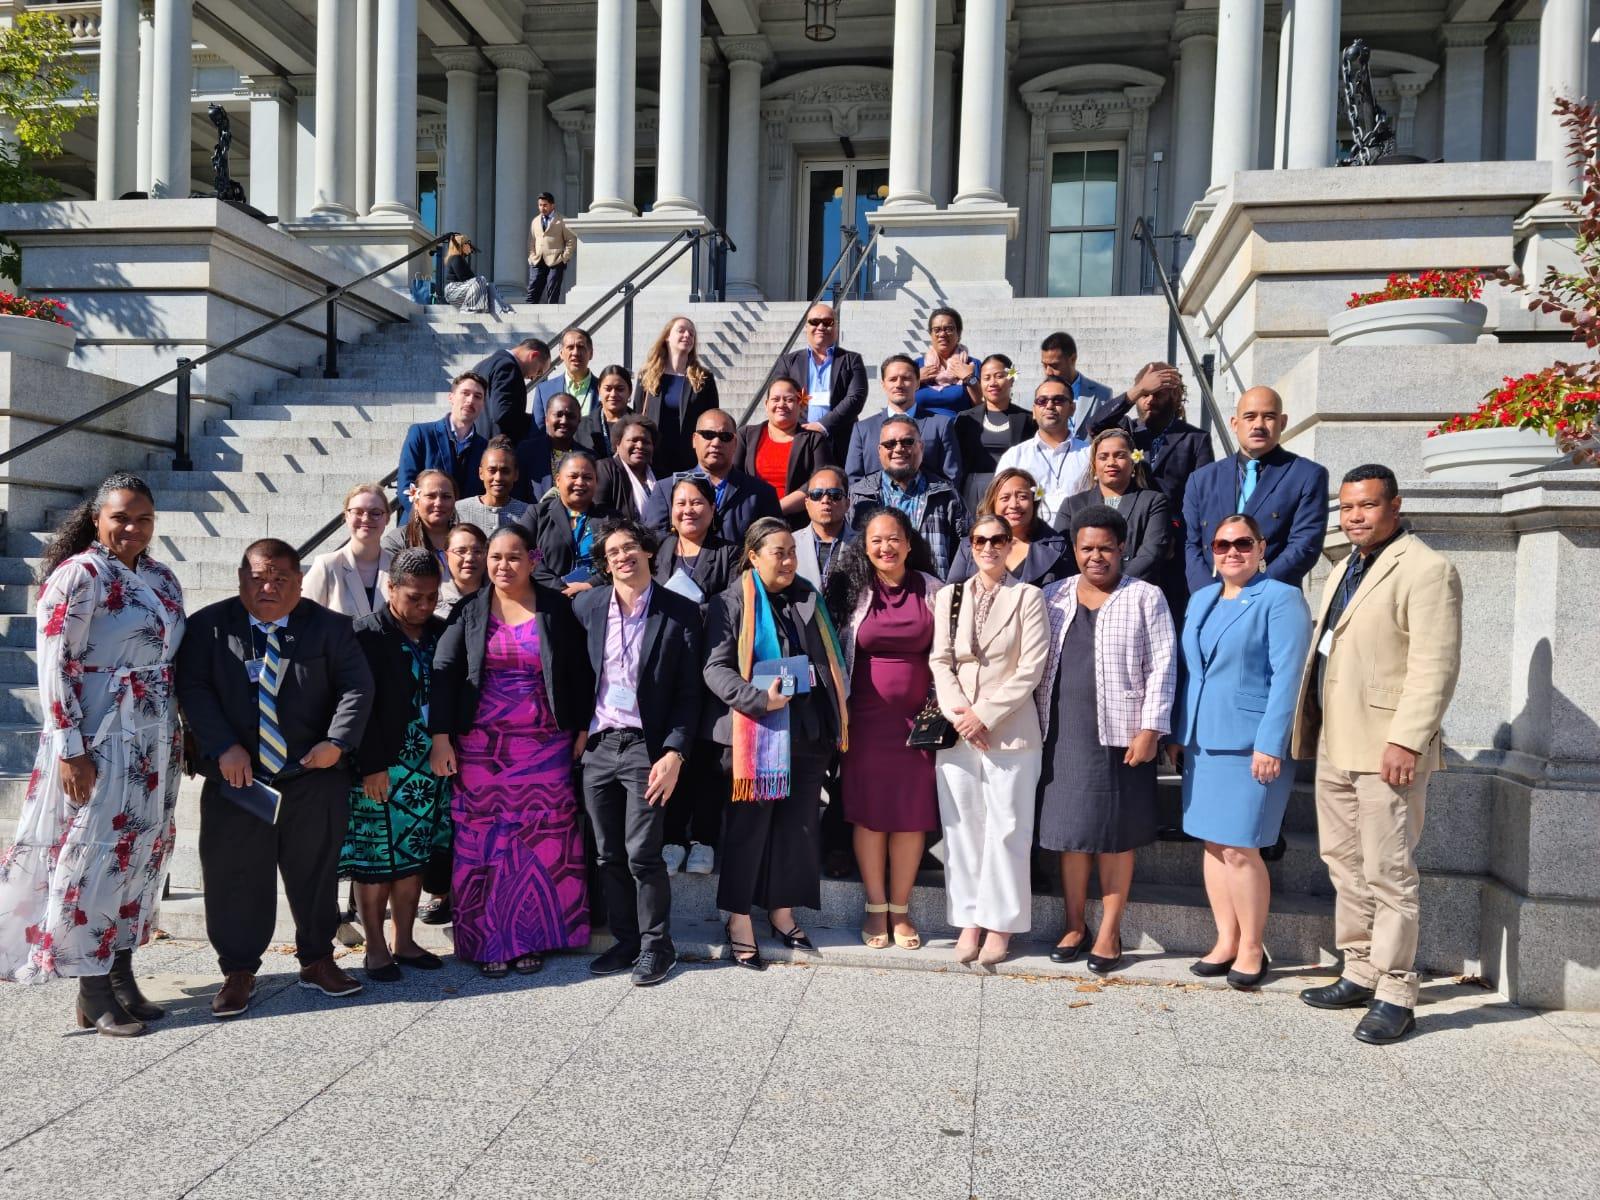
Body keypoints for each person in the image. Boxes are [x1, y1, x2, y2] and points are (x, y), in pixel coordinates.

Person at [0, 475, 185, 1036]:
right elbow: (53, 665)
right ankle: (92, 987)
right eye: (121, 517)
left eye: (144, 518)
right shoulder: (79, 575)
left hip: (153, 739)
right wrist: (70, 748)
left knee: (141, 852)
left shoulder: (158, 574)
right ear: (97, 518)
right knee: (97, 853)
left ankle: (122, 971)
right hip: (100, 737)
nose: (132, 527)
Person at [1291, 465, 1462, 1044]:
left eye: (1366, 505)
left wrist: (1407, 740)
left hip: (1387, 749)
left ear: (1395, 504)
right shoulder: (1344, 566)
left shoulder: (1427, 569)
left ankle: (1396, 990)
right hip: (1338, 743)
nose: (1355, 517)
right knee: (1344, 863)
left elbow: (1435, 667)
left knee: (1389, 870)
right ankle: (1359, 968)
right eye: (1347, 508)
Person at [176, 538, 374, 1018]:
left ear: (299, 581)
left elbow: (357, 686)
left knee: (316, 871)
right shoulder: (209, 627)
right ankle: (239, 971)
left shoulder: (329, 628)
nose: (268, 587)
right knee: (235, 875)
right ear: (241, 578)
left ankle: (318, 959)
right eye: (258, 577)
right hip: (238, 778)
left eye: (280, 578)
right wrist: (223, 746)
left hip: (311, 773)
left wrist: (337, 743)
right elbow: (194, 690)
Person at [429, 524, 595, 976]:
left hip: (546, 747)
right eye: (495, 557)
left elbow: (581, 671)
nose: (503, 566)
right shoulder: (469, 609)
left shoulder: (556, 610)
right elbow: (444, 671)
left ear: (533, 559)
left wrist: (581, 726)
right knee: (485, 841)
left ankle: (532, 938)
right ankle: (489, 940)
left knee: (541, 842)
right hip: (482, 749)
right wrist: (441, 735)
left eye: (513, 557)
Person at [1034, 505, 1177, 975]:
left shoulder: (1145, 597)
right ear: (1075, 550)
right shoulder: (1052, 596)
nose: (1096, 557)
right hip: (1063, 733)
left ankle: (1110, 930)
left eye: (1105, 548)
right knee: (1071, 837)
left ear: (1122, 550)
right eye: (1086, 548)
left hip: (1122, 735)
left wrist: (1151, 728)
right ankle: (1074, 924)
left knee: (1116, 838)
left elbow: (1163, 666)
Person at [1173, 514, 1312, 991]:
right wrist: (1179, 733)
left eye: (1242, 543)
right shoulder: (1201, 598)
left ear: (1261, 547)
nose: (1232, 551)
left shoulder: (1280, 598)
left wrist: (1270, 743)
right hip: (1203, 741)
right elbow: (1193, 673)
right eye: (1222, 544)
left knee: (1241, 847)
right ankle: (1225, 939)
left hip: (1252, 744)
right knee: (1213, 843)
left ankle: (1253, 946)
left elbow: (1288, 676)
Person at [703, 518, 849, 969]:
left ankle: (782, 912)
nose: (788, 560)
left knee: (798, 828)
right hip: (757, 731)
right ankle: (739, 917)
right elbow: (715, 668)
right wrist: (757, 700)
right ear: (753, 556)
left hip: (807, 731)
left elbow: (826, 662)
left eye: (791, 552)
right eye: (778, 553)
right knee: (749, 829)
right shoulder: (731, 602)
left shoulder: (808, 596)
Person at [574, 519, 703, 987]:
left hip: (648, 748)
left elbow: (691, 694)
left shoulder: (680, 612)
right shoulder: (587, 607)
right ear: (605, 564)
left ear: (648, 552)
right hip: (600, 745)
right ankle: (625, 940)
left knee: (642, 853)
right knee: (607, 853)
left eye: (630, 547)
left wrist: (675, 753)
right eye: (613, 552)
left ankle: (657, 946)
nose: (623, 556)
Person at [929, 514, 1050, 967]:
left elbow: (1030, 669)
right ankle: (968, 920)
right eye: (980, 540)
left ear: (1011, 545)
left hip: (1011, 731)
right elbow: (940, 660)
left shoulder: (1028, 597)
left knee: (1008, 829)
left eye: (998, 539)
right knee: (961, 830)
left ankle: (1001, 925)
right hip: (959, 730)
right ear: (971, 544)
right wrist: (962, 714)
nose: (989, 547)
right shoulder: (949, 596)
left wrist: (986, 715)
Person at [827, 508, 942, 951]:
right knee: (871, 815)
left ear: (909, 543)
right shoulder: (852, 590)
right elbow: (836, 652)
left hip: (920, 723)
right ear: (865, 546)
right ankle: (876, 907)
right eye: (876, 540)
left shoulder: (932, 590)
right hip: (866, 721)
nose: (885, 547)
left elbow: (947, 651)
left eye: (893, 539)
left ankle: (901, 907)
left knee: (911, 816)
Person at [341, 550, 451, 982]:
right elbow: (356, 706)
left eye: (431, 598)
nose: (424, 606)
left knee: (412, 858)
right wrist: (370, 765)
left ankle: (404, 940)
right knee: (375, 860)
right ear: (390, 588)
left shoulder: (440, 633)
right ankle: (375, 948)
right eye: (414, 597)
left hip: (427, 770)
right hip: (380, 767)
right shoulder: (365, 635)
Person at [652, 475, 741, 876]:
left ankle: (704, 839)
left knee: (708, 758)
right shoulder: (658, 550)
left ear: (711, 508)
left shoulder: (730, 554)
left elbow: (733, 609)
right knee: (672, 752)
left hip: (711, 667)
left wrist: (691, 608)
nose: (689, 509)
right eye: (681, 503)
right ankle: (671, 838)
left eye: (697, 502)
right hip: (667, 670)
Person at [1086, 363, 1210, 622]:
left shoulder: (1195, 439)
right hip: (1129, 535)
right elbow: (1095, 425)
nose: (1150, 400)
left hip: (1172, 545)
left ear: (1175, 396)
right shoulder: (1127, 430)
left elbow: (1201, 497)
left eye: (1158, 393)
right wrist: (1137, 390)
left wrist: (1178, 532)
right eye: (1145, 394)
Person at [1183, 386, 1329, 593]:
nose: (1259, 425)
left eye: (1268, 416)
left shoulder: (1306, 475)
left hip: (1272, 598)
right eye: (1250, 417)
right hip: (1212, 599)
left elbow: (1304, 545)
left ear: (1283, 422)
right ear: (1235, 424)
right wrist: (1208, 593)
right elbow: (1191, 545)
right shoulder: (1202, 479)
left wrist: (1252, 591)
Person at [847, 415, 968, 579]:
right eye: (889, 444)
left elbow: (967, 549)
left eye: (907, 442)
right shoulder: (858, 496)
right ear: (879, 451)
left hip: (935, 596)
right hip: (876, 597)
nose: (898, 449)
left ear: (921, 447)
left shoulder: (946, 495)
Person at [641, 408, 783, 546]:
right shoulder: (666, 489)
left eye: (725, 437)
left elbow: (773, 543)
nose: (716, 443)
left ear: (735, 444)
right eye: (708, 435)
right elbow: (654, 539)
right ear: (694, 440)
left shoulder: (761, 493)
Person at [1059, 429, 1172, 582]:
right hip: (1084, 592)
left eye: (1119, 456)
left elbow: (1151, 554)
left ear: (1133, 462)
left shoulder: (1154, 502)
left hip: (1133, 590)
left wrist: (1117, 585)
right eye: (1103, 457)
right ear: (1094, 464)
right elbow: (1063, 554)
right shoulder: (1072, 505)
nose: (1111, 462)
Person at [847, 353, 963, 486]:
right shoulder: (863, 429)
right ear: (883, 384)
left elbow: (952, 476)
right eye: (892, 379)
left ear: (918, 383)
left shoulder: (940, 425)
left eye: (906, 378)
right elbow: (853, 480)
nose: (899, 384)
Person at [946, 468, 1073, 589]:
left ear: (1034, 502)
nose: (1014, 505)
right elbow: (952, 596)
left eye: (1022, 497)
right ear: (993, 503)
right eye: (1005, 498)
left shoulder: (1056, 546)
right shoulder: (970, 545)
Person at [775, 301, 868, 462]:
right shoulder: (788, 362)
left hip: (839, 442)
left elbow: (856, 398)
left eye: (827, 322)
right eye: (814, 322)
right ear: (806, 327)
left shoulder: (851, 360)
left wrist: (822, 426)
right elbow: (779, 396)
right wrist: (800, 429)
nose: (821, 327)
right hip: (799, 439)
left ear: (836, 328)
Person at [737, 375, 835, 526]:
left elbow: (820, 482)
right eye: (775, 399)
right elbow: (734, 476)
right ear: (766, 404)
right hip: (751, 521)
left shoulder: (814, 440)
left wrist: (775, 509)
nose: (781, 404)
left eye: (789, 400)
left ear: (800, 405)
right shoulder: (746, 435)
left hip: (796, 524)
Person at [994, 377, 1091, 527]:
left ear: (1072, 409)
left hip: (1078, 539)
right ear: (1034, 410)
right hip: (1029, 542)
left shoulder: (1090, 454)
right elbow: (1000, 504)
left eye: (1058, 400)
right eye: (1042, 401)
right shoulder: (1014, 457)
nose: (1050, 405)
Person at [523, 450, 618, 596]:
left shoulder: (611, 518)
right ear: (558, 480)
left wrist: (591, 584)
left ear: (596, 482)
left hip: (597, 596)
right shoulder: (537, 514)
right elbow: (526, 553)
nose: (580, 482)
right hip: (546, 596)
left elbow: (619, 557)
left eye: (587, 477)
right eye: (573, 476)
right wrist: (558, 587)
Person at [395, 372, 486, 521]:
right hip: (419, 527)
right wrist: (425, 518)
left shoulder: (485, 448)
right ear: (451, 397)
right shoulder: (421, 434)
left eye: (478, 396)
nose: (470, 400)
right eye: (465, 393)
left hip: (462, 532)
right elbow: (406, 486)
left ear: (483, 404)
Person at [635, 316, 720, 474]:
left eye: (692, 334)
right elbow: (637, 415)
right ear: (667, 337)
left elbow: (713, 419)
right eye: (681, 331)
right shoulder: (647, 376)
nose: (687, 335)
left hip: (690, 459)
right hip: (654, 457)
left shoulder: (704, 378)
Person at [953, 354, 1036, 516]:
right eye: (986, 378)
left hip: (1013, 491)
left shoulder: (1027, 419)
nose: (992, 383)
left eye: (999, 376)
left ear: (1011, 379)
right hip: (974, 491)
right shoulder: (965, 419)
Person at [302, 482, 394, 617]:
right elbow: (304, 618)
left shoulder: (398, 567)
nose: (366, 518)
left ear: (387, 518)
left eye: (375, 513)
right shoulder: (327, 566)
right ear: (346, 516)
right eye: (358, 512)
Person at [471, 337, 550, 443]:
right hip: (497, 448)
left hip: (477, 444)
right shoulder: (508, 367)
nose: (534, 377)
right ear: (533, 355)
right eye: (539, 371)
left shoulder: (480, 365)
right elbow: (503, 413)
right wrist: (536, 421)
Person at [514, 390, 589, 502]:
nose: (564, 421)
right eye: (558, 415)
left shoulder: (588, 458)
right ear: (546, 419)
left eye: (570, 416)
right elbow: (516, 496)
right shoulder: (526, 451)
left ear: (579, 420)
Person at [1040, 330, 1115, 441]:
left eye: (1054, 366)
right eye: (1044, 365)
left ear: (1073, 359)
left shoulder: (1102, 394)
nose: (1048, 372)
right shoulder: (1037, 398)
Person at [454, 435, 531, 532]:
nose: (498, 478)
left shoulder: (528, 513)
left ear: (515, 475)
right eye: (492, 470)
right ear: (481, 473)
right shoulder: (460, 510)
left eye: (505, 471)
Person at [914, 306, 981, 418]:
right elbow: (901, 401)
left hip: (959, 430)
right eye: (937, 330)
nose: (942, 334)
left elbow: (981, 405)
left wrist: (969, 379)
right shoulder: (916, 366)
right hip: (921, 431)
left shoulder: (972, 365)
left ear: (959, 334)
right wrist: (914, 380)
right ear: (930, 334)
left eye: (949, 329)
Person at [382, 468, 456, 568]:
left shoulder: (469, 539)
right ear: (416, 502)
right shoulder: (397, 541)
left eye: (446, 496)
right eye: (430, 496)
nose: (439, 503)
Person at [794, 466, 851, 590]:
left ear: (847, 504)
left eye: (835, 494)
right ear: (807, 503)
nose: (825, 500)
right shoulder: (791, 543)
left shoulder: (865, 544)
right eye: (816, 494)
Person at [593, 413, 659, 520]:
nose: (640, 446)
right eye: (633, 440)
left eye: (646, 442)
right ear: (617, 444)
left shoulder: (660, 474)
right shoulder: (605, 469)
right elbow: (599, 513)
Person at [532, 326, 598, 429]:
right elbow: (537, 430)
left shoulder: (604, 390)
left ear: (591, 353)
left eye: (580, 347)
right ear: (561, 354)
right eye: (570, 347)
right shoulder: (544, 390)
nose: (575, 353)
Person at [526, 190, 576, 304]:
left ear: (552, 205)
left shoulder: (562, 220)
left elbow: (571, 240)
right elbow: (531, 241)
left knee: (553, 291)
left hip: (556, 260)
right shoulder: (535, 221)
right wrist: (531, 256)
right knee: (532, 291)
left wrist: (564, 257)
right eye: (540, 205)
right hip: (537, 260)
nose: (542, 208)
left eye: (545, 205)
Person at [578, 363, 636, 458]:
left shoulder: (641, 426)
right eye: (608, 389)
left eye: (620, 389)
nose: (613, 394)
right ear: (599, 390)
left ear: (629, 391)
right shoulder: (582, 426)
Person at [441, 234, 509, 315]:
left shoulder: (460, 259)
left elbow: (471, 280)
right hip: (452, 291)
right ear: (461, 246)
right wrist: (481, 284)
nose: (469, 245)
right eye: (467, 243)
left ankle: (502, 310)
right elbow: (465, 278)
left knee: (489, 286)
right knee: (481, 280)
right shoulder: (456, 258)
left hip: (461, 290)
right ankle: (468, 308)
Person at [435, 522, 487, 622]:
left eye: (477, 551)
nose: (470, 558)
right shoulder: (432, 600)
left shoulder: (501, 597)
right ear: (446, 556)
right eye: (461, 551)